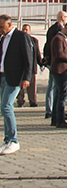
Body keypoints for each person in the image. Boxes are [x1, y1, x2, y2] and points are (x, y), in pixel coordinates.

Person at [0, 15, 33, 155]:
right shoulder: (3, 39)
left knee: (6, 106)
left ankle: (14, 140)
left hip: (15, 78)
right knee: (3, 107)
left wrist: (26, 77)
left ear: (9, 24)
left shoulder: (20, 36)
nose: (0, 29)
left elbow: (28, 58)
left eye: (2, 26)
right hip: (3, 76)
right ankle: (7, 139)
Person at [43, 11, 67, 119]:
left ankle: (56, 110)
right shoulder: (58, 30)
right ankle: (52, 110)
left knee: (54, 86)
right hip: (56, 62)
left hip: (51, 61)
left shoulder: (52, 28)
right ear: (63, 17)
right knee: (54, 86)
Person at [16, 24, 41, 108]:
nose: (25, 31)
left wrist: (41, 63)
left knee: (32, 86)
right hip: (21, 67)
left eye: (26, 29)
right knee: (21, 85)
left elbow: (37, 53)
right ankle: (20, 101)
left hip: (31, 67)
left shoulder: (34, 41)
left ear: (30, 31)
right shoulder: (18, 41)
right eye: (23, 29)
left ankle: (32, 101)